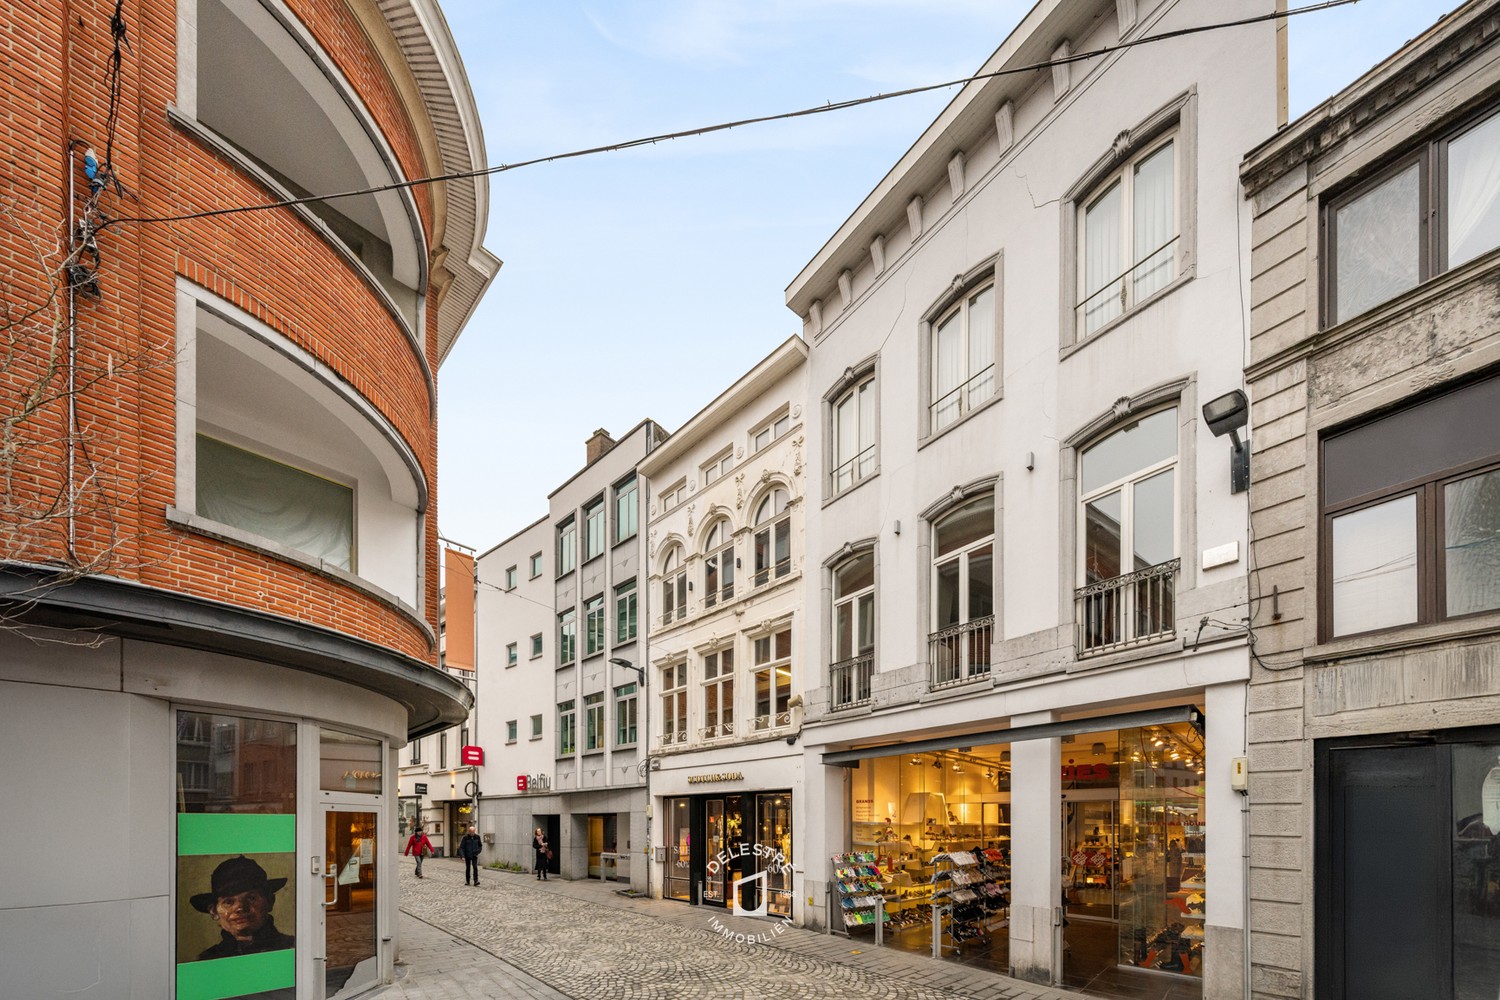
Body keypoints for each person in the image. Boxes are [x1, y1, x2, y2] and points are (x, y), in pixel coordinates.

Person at [190, 856, 296, 960]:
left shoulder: (293, 948)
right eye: (228, 902)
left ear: (269, 901)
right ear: (214, 911)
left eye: (251, 898)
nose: (240, 908)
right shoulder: (208, 960)